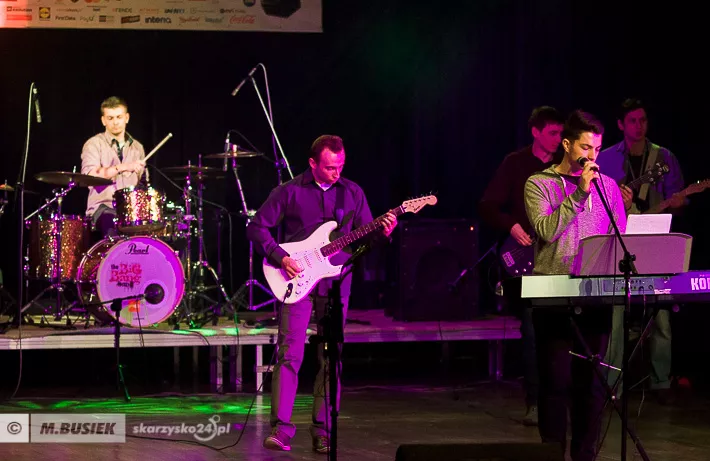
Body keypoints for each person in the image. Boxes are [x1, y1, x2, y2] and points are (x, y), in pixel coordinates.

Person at [246, 135, 397, 453]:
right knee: (290, 353)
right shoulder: (289, 191)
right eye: (330, 167)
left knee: (331, 356)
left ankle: (323, 429)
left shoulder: (352, 192)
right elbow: (257, 228)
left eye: (341, 166)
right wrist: (280, 257)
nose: (337, 173)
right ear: (313, 163)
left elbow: (364, 241)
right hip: (296, 279)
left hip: (336, 280)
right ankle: (281, 429)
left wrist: (382, 234)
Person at [524, 110, 626, 461]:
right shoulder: (539, 183)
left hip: (595, 293)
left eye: (596, 149)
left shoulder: (608, 186)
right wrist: (579, 193)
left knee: (592, 385)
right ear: (566, 145)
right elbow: (547, 230)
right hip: (554, 292)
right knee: (555, 383)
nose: (591, 156)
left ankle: (586, 455)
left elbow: (617, 237)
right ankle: (552, 455)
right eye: (585, 148)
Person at [479, 105, 565, 426]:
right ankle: (535, 400)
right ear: (535, 132)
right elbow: (487, 205)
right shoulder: (515, 163)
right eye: (552, 133)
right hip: (528, 261)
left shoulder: (564, 165)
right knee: (531, 331)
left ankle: (561, 400)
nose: (558, 139)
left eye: (561, 133)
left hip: (560, 259)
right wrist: (511, 225)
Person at [596, 98, 685, 404]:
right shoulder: (606, 158)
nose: (639, 126)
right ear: (621, 124)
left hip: (656, 241)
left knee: (661, 315)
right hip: (619, 242)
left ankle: (661, 382)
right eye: (632, 121)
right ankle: (612, 386)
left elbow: (679, 199)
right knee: (616, 313)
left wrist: (679, 202)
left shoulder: (664, 157)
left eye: (643, 120)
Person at [81, 96, 146, 237]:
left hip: (131, 212)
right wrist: (122, 167)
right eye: (110, 118)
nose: (115, 122)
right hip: (103, 208)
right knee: (111, 225)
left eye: (119, 117)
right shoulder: (93, 144)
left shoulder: (138, 148)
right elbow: (89, 176)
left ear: (127, 118)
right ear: (103, 120)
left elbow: (142, 184)